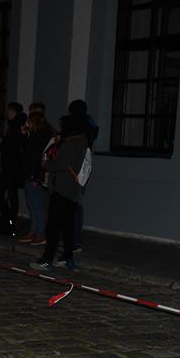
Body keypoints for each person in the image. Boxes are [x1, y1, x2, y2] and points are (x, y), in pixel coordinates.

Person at [29, 114, 88, 271]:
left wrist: (46, 164)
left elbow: (60, 164)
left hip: (62, 190)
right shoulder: (82, 141)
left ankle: (47, 259)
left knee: (53, 227)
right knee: (67, 226)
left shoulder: (71, 143)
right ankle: (67, 258)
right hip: (72, 190)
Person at [67, 99, 98, 252]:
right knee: (76, 204)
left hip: (75, 167)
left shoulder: (77, 125)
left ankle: (74, 241)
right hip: (84, 165)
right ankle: (74, 240)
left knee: (74, 206)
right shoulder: (90, 122)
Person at [18, 111, 54, 245]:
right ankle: (33, 231)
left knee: (38, 206)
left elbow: (35, 159)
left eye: (28, 121)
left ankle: (40, 233)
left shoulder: (39, 136)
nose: (26, 124)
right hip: (30, 175)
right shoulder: (33, 135)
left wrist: (35, 177)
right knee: (32, 205)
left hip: (35, 176)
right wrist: (24, 135)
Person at [0, 102, 26, 228]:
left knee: (8, 193)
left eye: (8, 110)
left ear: (13, 111)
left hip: (13, 166)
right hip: (8, 166)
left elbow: (9, 145)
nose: (6, 113)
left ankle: (10, 218)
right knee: (4, 193)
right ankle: (9, 217)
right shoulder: (12, 126)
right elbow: (4, 145)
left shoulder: (17, 126)